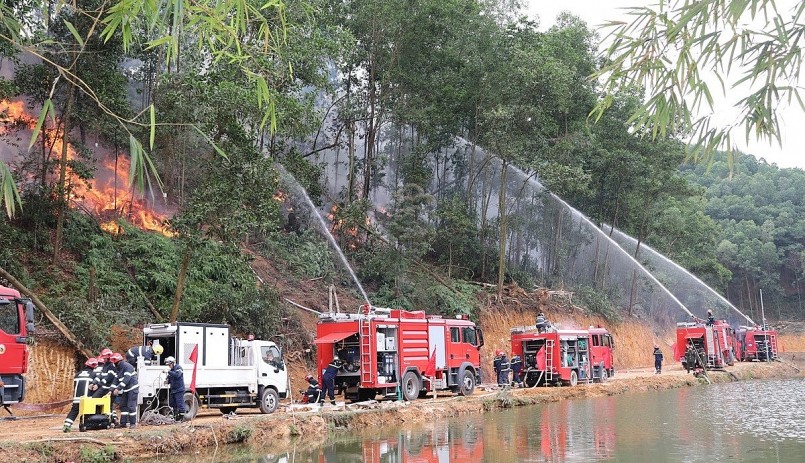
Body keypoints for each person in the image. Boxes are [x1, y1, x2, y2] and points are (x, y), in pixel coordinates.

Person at [63, 358, 97, 432]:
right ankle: (83, 426)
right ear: (94, 366)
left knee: (74, 411)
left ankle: (67, 425)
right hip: (86, 397)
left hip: (76, 397)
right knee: (86, 412)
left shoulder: (77, 374)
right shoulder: (94, 374)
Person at [110, 352, 139, 429]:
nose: (113, 364)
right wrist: (111, 390)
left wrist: (118, 388)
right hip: (126, 390)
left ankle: (133, 423)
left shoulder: (127, 367)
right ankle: (123, 423)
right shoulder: (118, 368)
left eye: (114, 363)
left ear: (118, 362)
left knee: (131, 406)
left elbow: (126, 379)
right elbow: (116, 380)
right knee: (123, 406)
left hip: (132, 389)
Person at [164, 356, 186, 421]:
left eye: (169, 364)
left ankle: (181, 418)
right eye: (168, 365)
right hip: (173, 390)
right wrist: (167, 381)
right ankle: (175, 417)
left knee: (180, 404)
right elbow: (170, 379)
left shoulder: (179, 368)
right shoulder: (171, 370)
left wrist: (168, 372)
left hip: (179, 390)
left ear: (173, 363)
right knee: (173, 404)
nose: (169, 366)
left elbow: (177, 375)